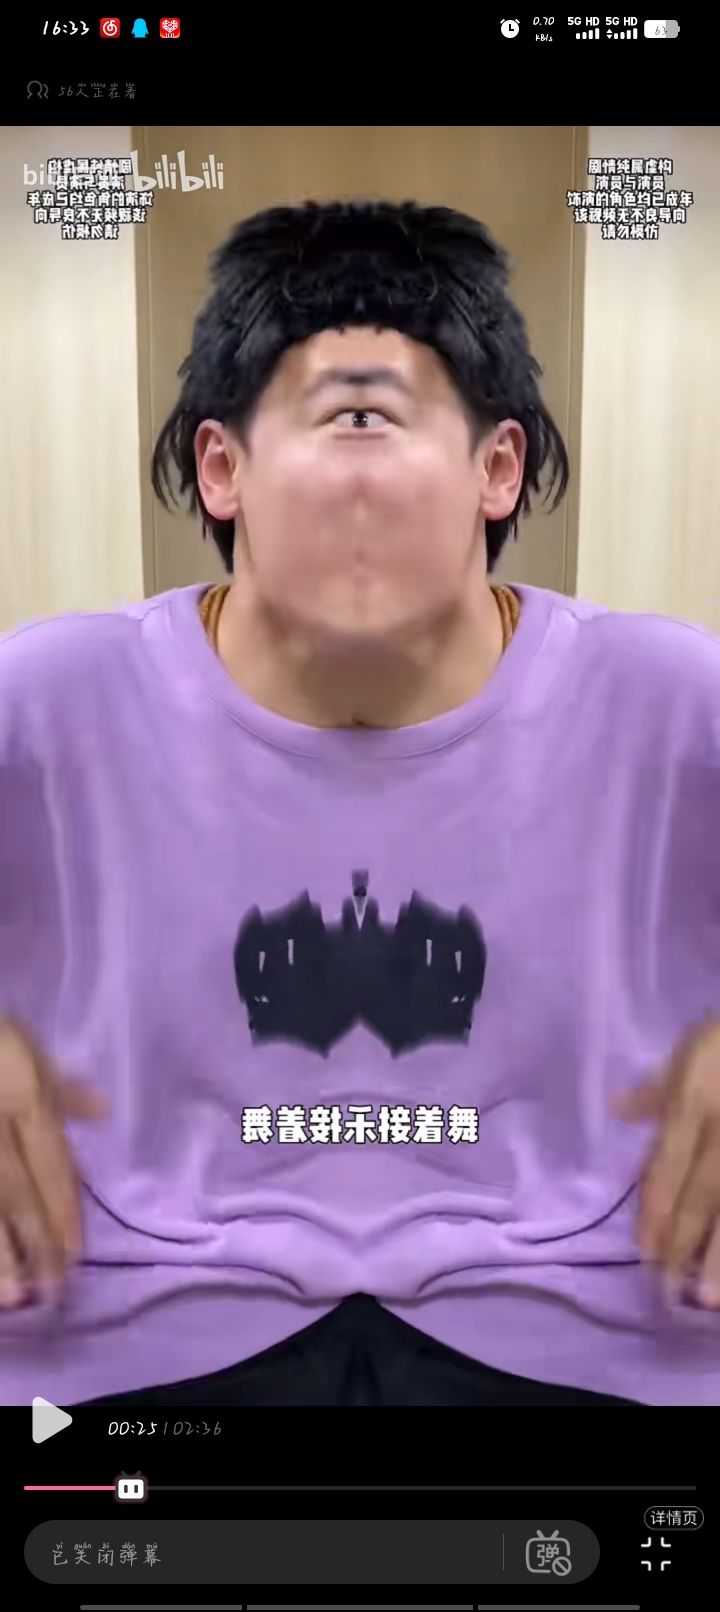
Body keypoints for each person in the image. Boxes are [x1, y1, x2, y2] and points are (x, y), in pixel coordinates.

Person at [1, 199, 719, 1408]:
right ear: (222, 469)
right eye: (339, 416)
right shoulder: (49, 695)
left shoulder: (670, 696)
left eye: (380, 416)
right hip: (119, 1325)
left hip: (602, 1324)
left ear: (498, 469)